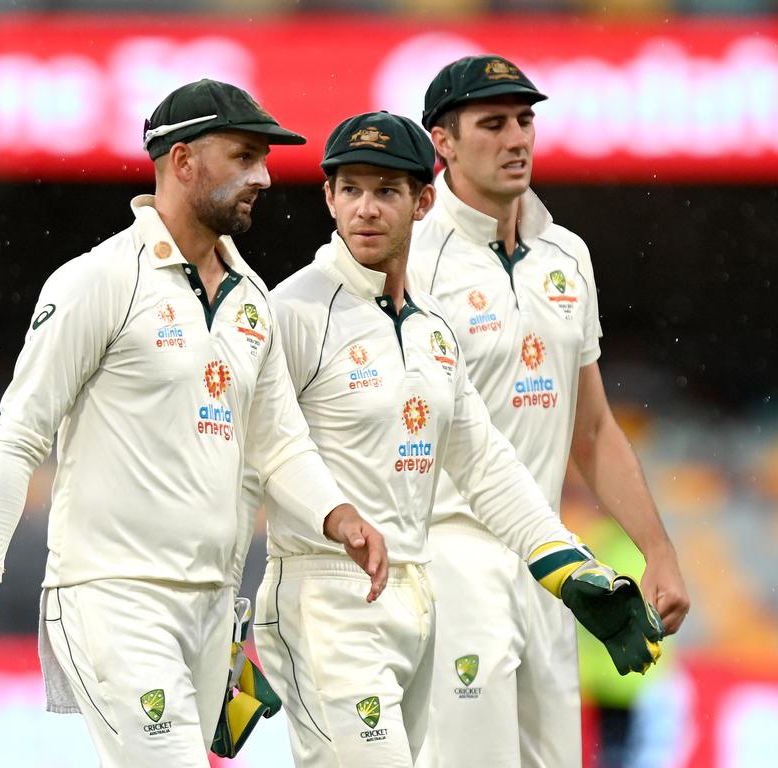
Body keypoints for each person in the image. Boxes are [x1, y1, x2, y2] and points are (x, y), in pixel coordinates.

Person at [0, 79, 389, 768]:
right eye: (243, 156)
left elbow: (278, 439)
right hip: (114, 597)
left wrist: (338, 515)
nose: (263, 176)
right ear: (181, 162)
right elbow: (20, 436)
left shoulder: (251, 297)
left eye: (264, 159)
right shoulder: (99, 281)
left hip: (211, 606)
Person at [251, 110, 662, 768]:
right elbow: (246, 463)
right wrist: (224, 637)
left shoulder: (433, 326)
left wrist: (566, 565)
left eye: (387, 191)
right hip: (326, 600)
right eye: (349, 188)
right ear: (327, 196)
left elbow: (488, 465)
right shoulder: (291, 312)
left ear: (422, 202)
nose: (365, 209)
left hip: (415, 600)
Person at [407, 55, 691, 767]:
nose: (516, 138)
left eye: (525, 120)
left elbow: (591, 428)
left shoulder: (566, 254)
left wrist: (657, 549)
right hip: (451, 559)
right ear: (442, 141)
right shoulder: (408, 258)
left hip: (552, 567)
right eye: (493, 123)